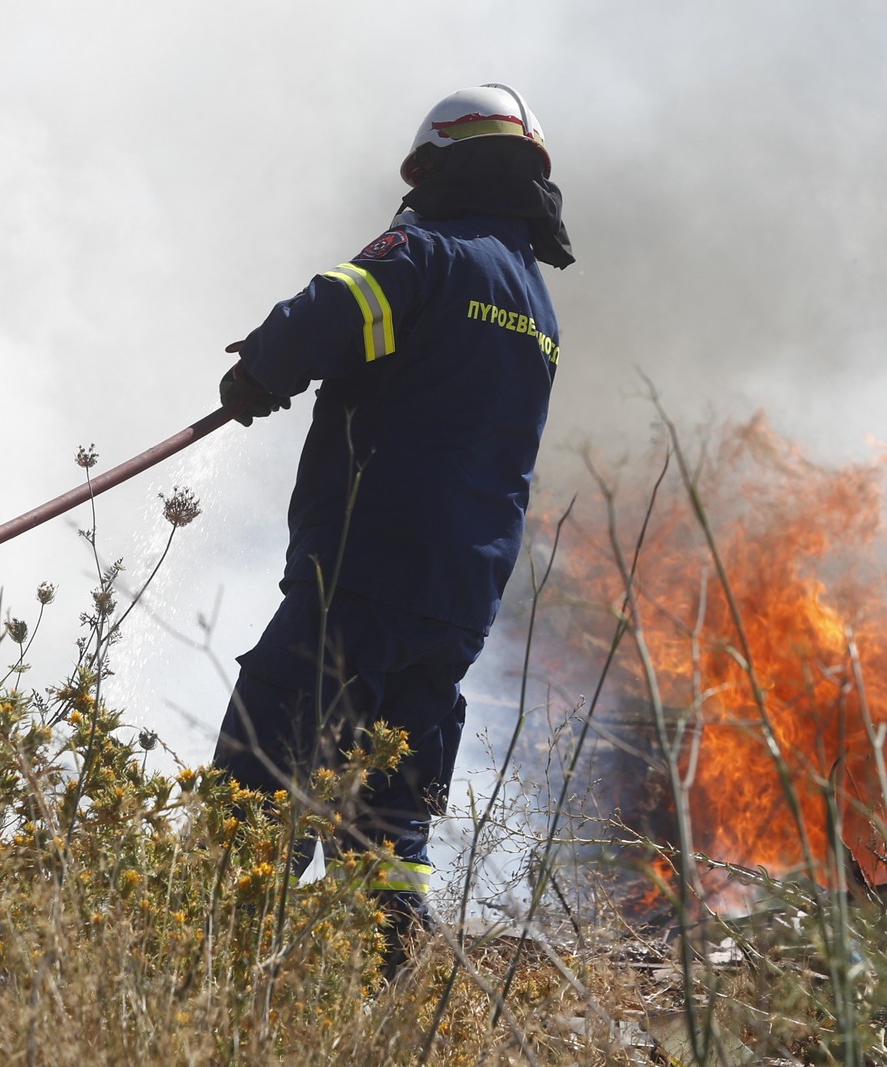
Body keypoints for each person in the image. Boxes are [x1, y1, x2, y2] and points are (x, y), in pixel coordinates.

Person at [211, 83, 573, 970]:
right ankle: (380, 996)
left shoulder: (428, 251)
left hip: (362, 573)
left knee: (267, 770)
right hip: (457, 602)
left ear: (441, 166)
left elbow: (335, 310)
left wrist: (260, 371)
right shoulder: (537, 307)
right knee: (388, 813)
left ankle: (213, 971)